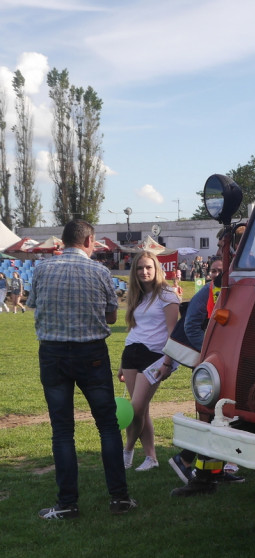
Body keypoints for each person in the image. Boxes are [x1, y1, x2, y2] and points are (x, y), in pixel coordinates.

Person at [27, 220, 137, 519]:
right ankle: (119, 498)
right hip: (91, 354)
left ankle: (67, 504)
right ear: (89, 241)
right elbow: (112, 317)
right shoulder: (100, 271)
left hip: (52, 353)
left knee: (62, 431)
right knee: (108, 426)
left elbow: (34, 305)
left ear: (62, 242)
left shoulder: (42, 269)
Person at [165, 256, 255, 499]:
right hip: (222, 366)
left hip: (253, 365)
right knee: (214, 418)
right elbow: (192, 326)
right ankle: (205, 475)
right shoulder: (211, 291)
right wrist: (214, 355)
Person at [119, 251, 180, 471]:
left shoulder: (167, 294)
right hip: (131, 353)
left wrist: (167, 363)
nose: (144, 272)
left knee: (135, 409)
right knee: (141, 410)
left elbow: (174, 333)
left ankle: (126, 450)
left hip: (155, 357)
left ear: (156, 269)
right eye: (139, 268)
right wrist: (121, 364)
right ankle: (151, 458)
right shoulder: (136, 295)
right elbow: (134, 330)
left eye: (148, 267)